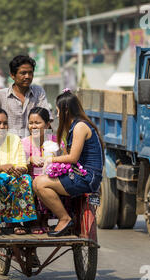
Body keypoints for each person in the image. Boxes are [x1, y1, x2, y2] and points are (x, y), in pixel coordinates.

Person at [33, 89, 104, 237]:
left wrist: (50, 159)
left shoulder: (80, 127)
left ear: (66, 110)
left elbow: (72, 158)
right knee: (40, 181)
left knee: (39, 183)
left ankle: (64, 218)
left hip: (86, 178)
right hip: (81, 174)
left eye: (58, 111)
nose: (57, 115)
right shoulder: (76, 126)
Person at [0, 55, 52, 138]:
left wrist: (50, 142)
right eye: (23, 73)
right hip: (6, 146)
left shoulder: (38, 92)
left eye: (30, 73)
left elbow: (46, 120)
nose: (27, 76)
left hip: (32, 146)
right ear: (12, 75)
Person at [21, 107, 63, 234]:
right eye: (31, 123)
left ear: (47, 124)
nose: (33, 126)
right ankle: (33, 221)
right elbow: (17, 165)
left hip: (50, 179)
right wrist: (30, 160)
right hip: (31, 178)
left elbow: (64, 159)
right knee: (29, 183)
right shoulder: (23, 143)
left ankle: (45, 220)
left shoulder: (55, 141)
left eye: (37, 123)